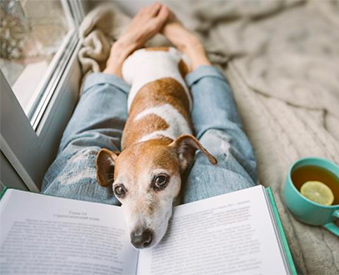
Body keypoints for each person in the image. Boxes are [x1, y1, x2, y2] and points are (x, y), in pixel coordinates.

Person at [42, 3, 257, 205]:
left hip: (172, 63)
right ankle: (189, 53)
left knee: (83, 148)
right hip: (145, 69)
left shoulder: (179, 152)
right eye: (120, 190)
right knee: (220, 138)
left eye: (160, 181)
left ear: (185, 156)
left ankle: (137, 55)